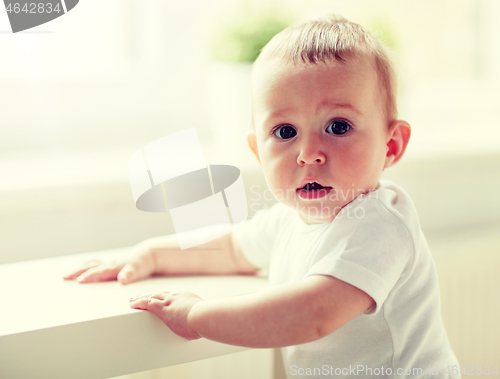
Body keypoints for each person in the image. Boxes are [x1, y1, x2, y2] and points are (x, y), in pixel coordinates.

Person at [64, 15, 460, 378]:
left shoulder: (380, 223)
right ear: (258, 152)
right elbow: (231, 249)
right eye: (285, 132)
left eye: (338, 126)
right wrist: (151, 255)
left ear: (391, 145)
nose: (308, 152)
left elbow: (313, 313)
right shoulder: (292, 219)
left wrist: (197, 315)